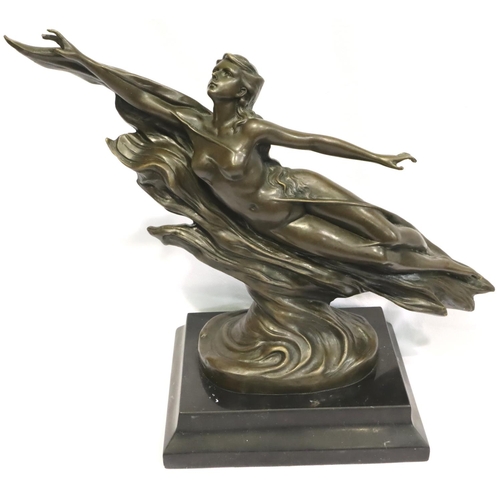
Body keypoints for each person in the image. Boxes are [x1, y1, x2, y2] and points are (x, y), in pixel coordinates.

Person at [12, 30, 471, 274]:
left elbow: (314, 142)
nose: (216, 76)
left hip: (298, 190)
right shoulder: (193, 125)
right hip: (274, 223)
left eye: (226, 73)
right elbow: (140, 96)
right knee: (375, 256)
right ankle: (446, 271)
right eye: (216, 70)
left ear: (244, 89)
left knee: (390, 234)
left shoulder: (253, 128)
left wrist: (378, 157)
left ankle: (446, 262)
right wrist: (84, 60)